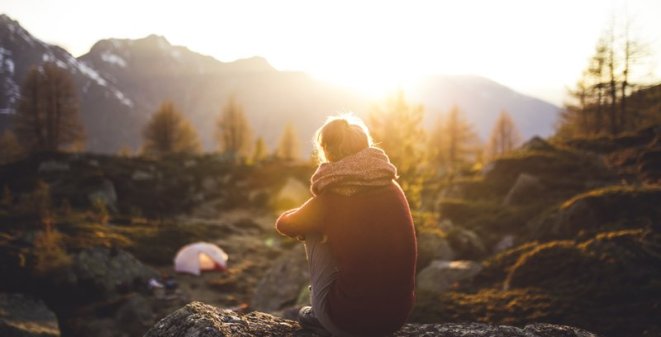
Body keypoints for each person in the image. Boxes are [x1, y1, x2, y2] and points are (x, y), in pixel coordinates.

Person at [275, 115, 417, 337]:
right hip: (395, 319)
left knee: (312, 229)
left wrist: (318, 219)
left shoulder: (331, 197)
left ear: (327, 150)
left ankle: (321, 309)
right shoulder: (392, 186)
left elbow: (285, 224)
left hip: (347, 323)